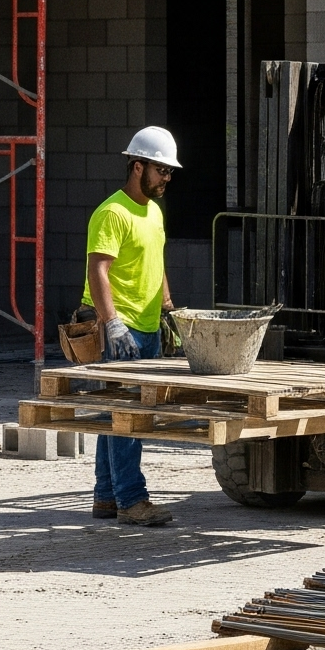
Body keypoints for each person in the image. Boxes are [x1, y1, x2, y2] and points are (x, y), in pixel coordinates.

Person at [83, 126, 181, 528]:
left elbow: (156, 264)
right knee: (128, 417)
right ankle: (132, 500)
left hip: (145, 324)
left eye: (169, 172)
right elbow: (97, 270)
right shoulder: (113, 212)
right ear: (137, 166)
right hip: (118, 329)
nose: (166, 179)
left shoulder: (154, 212)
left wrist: (169, 309)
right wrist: (113, 324)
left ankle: (107, 496)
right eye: (160, 170)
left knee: (116, 414)